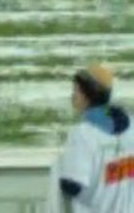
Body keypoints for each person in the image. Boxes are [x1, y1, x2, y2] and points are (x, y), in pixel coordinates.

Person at [49, 64, 133, 211]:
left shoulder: (83, 134)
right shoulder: (131, 125)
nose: (72, 95)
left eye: (76, 90)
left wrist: (58, 170)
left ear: (87, 95)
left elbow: (72, 185)